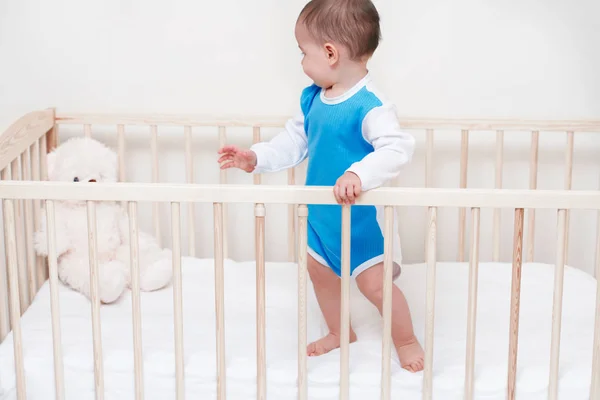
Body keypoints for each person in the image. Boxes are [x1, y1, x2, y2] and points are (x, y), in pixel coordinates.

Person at [217, 0, 423, 372]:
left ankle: (406, 340)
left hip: (355, 222)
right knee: (319, 274)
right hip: (320, 218)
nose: (301, 62)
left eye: (303, 52)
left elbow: (397, 147)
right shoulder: (312, 99)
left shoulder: (370, 105)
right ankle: (339, 331)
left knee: (376, 289)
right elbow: (293, 142)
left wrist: (358, 174)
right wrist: (256, 157)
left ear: (330, 53)